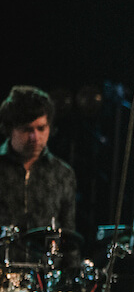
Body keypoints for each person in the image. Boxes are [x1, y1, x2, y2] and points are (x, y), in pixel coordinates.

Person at [0, 86, 77, 265]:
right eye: (27, 129)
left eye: (41, 128)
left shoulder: (63, 174)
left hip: (45, 282)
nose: (35, 137)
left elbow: (69, 238)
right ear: (10, 129)